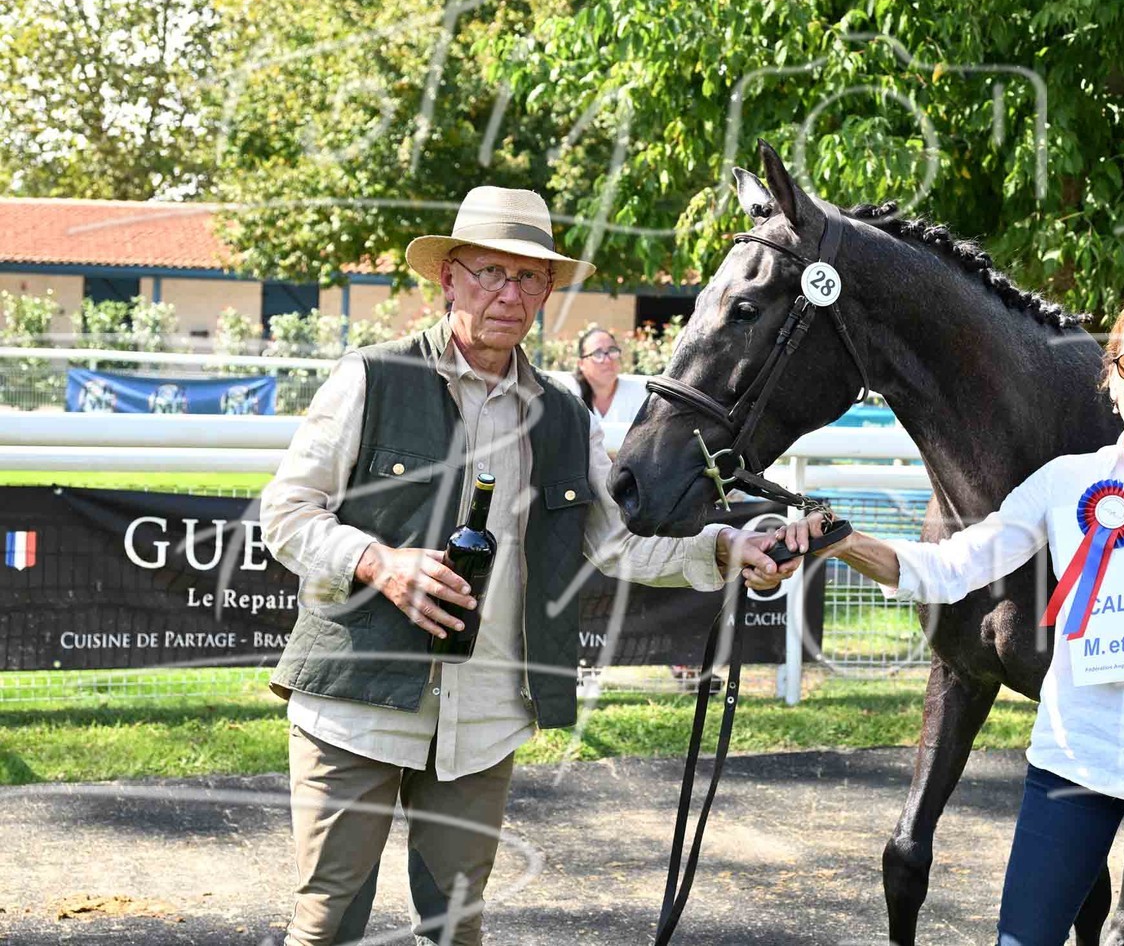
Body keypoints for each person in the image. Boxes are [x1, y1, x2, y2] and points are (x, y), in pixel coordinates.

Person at [259, 185, 794, 946]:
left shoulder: (566, 415)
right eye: (490, 273)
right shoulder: (371, 377)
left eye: (529, 278)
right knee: (326, 920)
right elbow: (285, 514)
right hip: (355, 701)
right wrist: (379, 563)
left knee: (456, 926)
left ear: (546, 292)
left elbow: (616, 545)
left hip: (483, 717)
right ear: (449, 279)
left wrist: (725, 548)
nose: (509, 294)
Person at [778, 293, 1124, 946]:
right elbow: (952, 567)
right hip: (1072, 765)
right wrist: (844, 541)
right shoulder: (1063, 485)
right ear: (1112, 379)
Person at [572, 326, 648, 425]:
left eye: (612, 350)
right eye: (597, 353)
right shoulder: (571, 396)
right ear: (581, 364)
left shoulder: (637, 393)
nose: (608, 360)